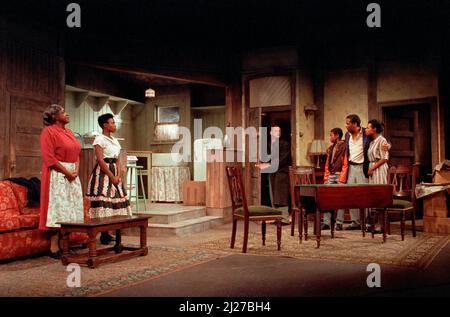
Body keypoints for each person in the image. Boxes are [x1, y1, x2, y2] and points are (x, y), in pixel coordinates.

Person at [39, 104, 84, 259]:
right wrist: (67, 173)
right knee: (58, 208)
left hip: (72, 174)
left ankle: (65, 244)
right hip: (57, 175)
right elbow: (49, 158)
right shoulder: (48, 132)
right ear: (54, 116)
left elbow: (77, 152)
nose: (67, 114)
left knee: (70, 208)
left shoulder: (69, 132)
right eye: (63, 112)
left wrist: (76, 170)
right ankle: (53, 247)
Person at [86, 113, 132, 244]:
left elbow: (117, 159)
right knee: (103, 200)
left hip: (114, 170)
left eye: (114, 122)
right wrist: (111, 176)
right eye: (112, 122)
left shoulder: (115, 141)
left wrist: (118, 175)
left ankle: (109, 233)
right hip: (103, 172)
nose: (114, 125)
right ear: (105, 125)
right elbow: (100, 160)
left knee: (114, 201)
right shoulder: (99, 140)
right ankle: (101, 232)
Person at [344, 114, 391, 230]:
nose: (345, 126)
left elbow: (382, 141)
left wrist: (389, 145)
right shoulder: (346, 135)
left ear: (355, 124)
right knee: (351, 195)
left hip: (363, 167)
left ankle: (368, 222)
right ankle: (356, 222)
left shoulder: (366, 133)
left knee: (366, 195)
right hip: (351, 167)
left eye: (347, 123)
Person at [256, 125, 292, 224]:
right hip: (272, 173)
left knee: (281, 196)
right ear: (271, 133)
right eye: (275, 131)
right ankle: (277, 217)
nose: (277, 133)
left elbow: (283, 159)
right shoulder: (269, 145)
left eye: (279, 131)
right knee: (273, 195)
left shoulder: (285, 144)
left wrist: (269, 165)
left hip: (281, 173)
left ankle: (284, 218)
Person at [321, 128, 348, 231]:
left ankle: (339, 222)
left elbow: (345, 163)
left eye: (331, 135)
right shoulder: (331, 147)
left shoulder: (344, 147)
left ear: (337, 136)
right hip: (331, 175)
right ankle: (327, 222)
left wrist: (342, 179)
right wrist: (326, 177)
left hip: (339, 174)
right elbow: (328, 163)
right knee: (328, 199)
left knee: (340, 200)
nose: (330, 137)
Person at [366, 119, 389, 184]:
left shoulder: (382, 140)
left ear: (374, 129)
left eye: (368, 128)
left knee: (379, 188)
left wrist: (371, 168)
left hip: (379, 168)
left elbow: (384, 158)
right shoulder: (372, 142)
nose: (366, 129)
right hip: (372, 168)